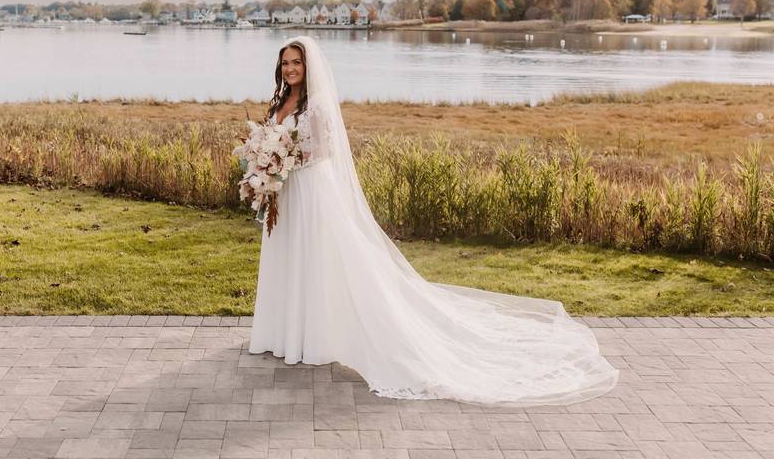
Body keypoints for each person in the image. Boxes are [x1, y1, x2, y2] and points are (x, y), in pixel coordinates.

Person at [247, 35, 619, 406]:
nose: (290, 69)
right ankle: (284, 333)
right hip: (286, 193)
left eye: (296, 62)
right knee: (289, 257)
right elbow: (277, 141)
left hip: (311, 191)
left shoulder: (317, 107)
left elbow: (323, 152)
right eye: (285, 63)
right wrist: (267, 165)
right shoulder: (281, 101)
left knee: (321, 262)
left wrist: (283, 160)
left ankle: (314, 337)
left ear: (308, 67)